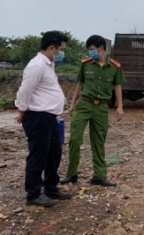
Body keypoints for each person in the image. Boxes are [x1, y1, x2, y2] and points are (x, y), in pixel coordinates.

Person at [15, 31, 72, 206]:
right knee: (38, 155)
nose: (62, 53)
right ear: (51, 48)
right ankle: (33, 194)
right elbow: (25, 90)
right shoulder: (37, 65)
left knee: (54, 153)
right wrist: (22, 110)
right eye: (60, 49)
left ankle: (51, 188)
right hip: (38, 117)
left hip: (50, 118)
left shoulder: (49, 64)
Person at [60, 35, 126, 187]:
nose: (90, 53)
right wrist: (72, 104)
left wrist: (120, 106)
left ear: (100, 48)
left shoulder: (115, 67)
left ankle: (99, 175)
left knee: (98, 141)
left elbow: (118, 86)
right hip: (84, 105)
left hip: (101, 107)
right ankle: (71, 174)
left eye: (91, 50)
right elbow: (79, 84)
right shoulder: (86, 64)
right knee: (75, 139)